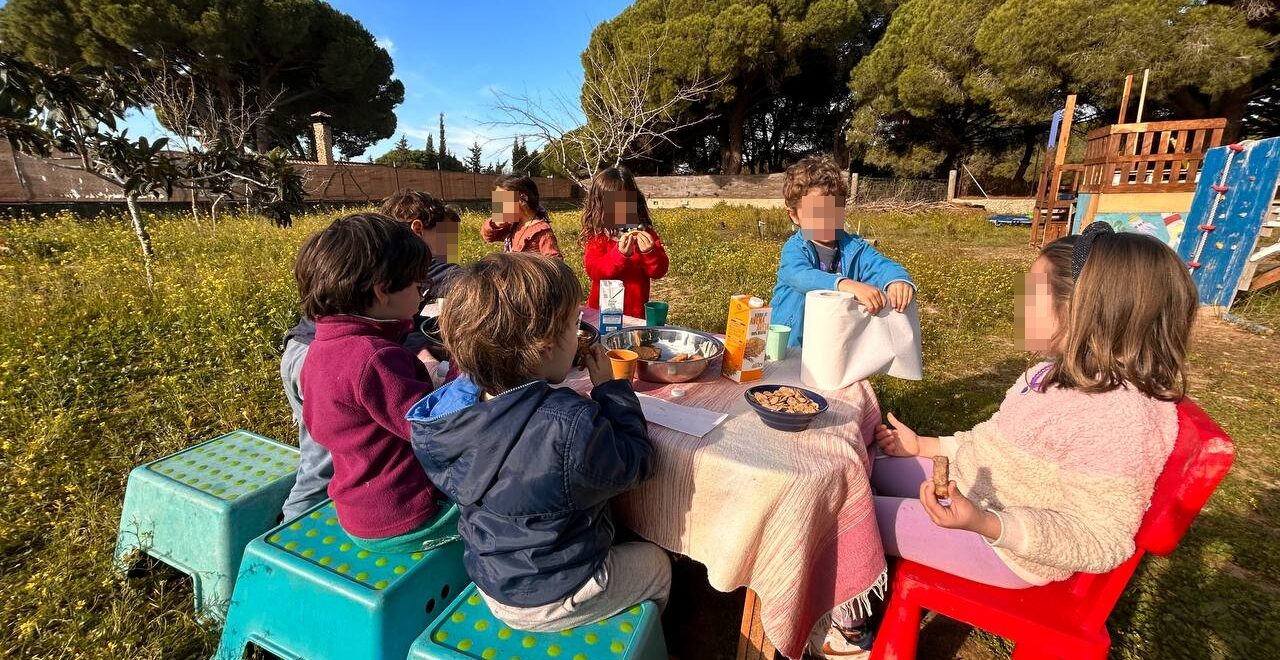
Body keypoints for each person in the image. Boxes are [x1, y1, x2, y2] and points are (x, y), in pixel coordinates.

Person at [829, 225, 1196, 656]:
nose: (1019, 303)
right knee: (854, 466)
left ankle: (852, 634)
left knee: (836, 514)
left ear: (1082, 312)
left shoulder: (1117, 417)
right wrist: (924, 446)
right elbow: (994, 444)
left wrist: (987, 524)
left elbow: (1102, 538)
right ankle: (865, 574)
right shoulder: (1053, 373)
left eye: (1032, 293)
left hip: (1003, 546)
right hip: (971, 494)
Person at [407, 253, 669, 631]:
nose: (578, 334)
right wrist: (612, 390)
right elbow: (638, 461)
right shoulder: (569, 424)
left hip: (491, 576)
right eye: (572, 325)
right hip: (553, 593)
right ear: (545, 347)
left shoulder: (449, 412)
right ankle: (646, 640)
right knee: (658, 565)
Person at [279, 193, 457, 521]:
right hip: (403, 516)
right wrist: (462, 371)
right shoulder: (377, 358)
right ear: (382, 290)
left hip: (355, 506)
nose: (423, 291)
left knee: (314, 468)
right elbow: (439, 434)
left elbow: (320, 426)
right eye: (419, 284)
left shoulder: (321, 347)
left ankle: (292, 525)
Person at [771, 154, 914, 347]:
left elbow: (881, 265)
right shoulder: (795, 248)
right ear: (795, 216)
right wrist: (846, 284)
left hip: (835, 344)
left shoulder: (855, 248)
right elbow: (800, 275)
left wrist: (897, 280)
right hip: (791, 344)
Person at [581, 167, 669, 319]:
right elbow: (594, 271)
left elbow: (659, 271)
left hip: (634, 316)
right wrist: (619, 255)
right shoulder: (598, 237)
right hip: (602, 313)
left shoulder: (646, 234)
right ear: (600, 206)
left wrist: (650, 252)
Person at [381, 189, 462, 301]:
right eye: (447, 236)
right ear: (418, 229)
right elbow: (478, 282)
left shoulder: (387, 261)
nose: (453, 246)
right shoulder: (421, 268)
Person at [481, 175, 562, 259]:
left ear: (522, 199)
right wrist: (495, 224)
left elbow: (555, 262)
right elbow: (488, 237)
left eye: (503, 200)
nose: (499, 207)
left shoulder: (542, 232)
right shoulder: (513, 224)